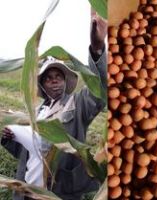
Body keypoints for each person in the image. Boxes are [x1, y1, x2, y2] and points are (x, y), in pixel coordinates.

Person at [1, 9, 107, 200]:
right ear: (42, 85)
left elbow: (98, 90)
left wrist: (97, 48)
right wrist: (9, 138)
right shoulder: (36, 112)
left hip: (57, 194)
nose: (55, 81)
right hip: (27, 191)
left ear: (66, 80)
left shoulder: (78, 104)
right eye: (49, 78)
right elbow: (27, 154)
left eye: (58, 76)